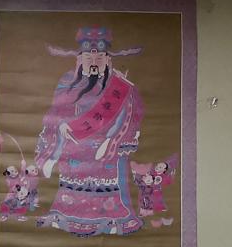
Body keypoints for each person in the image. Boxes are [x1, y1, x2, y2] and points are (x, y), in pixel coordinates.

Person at [32, 24, 148, 235]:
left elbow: (130, 112)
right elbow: (55, 112)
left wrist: (111, 140)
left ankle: (112, 220)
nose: (94, 62)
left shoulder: (119, 85)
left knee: (107, 185)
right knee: (72, 185)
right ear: (79, 60)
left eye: (99, 58)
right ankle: (67, 215)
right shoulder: (68, 81)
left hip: (106, 146)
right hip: (74, 145)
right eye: (88, 57)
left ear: (107, 59)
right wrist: (62, 126)